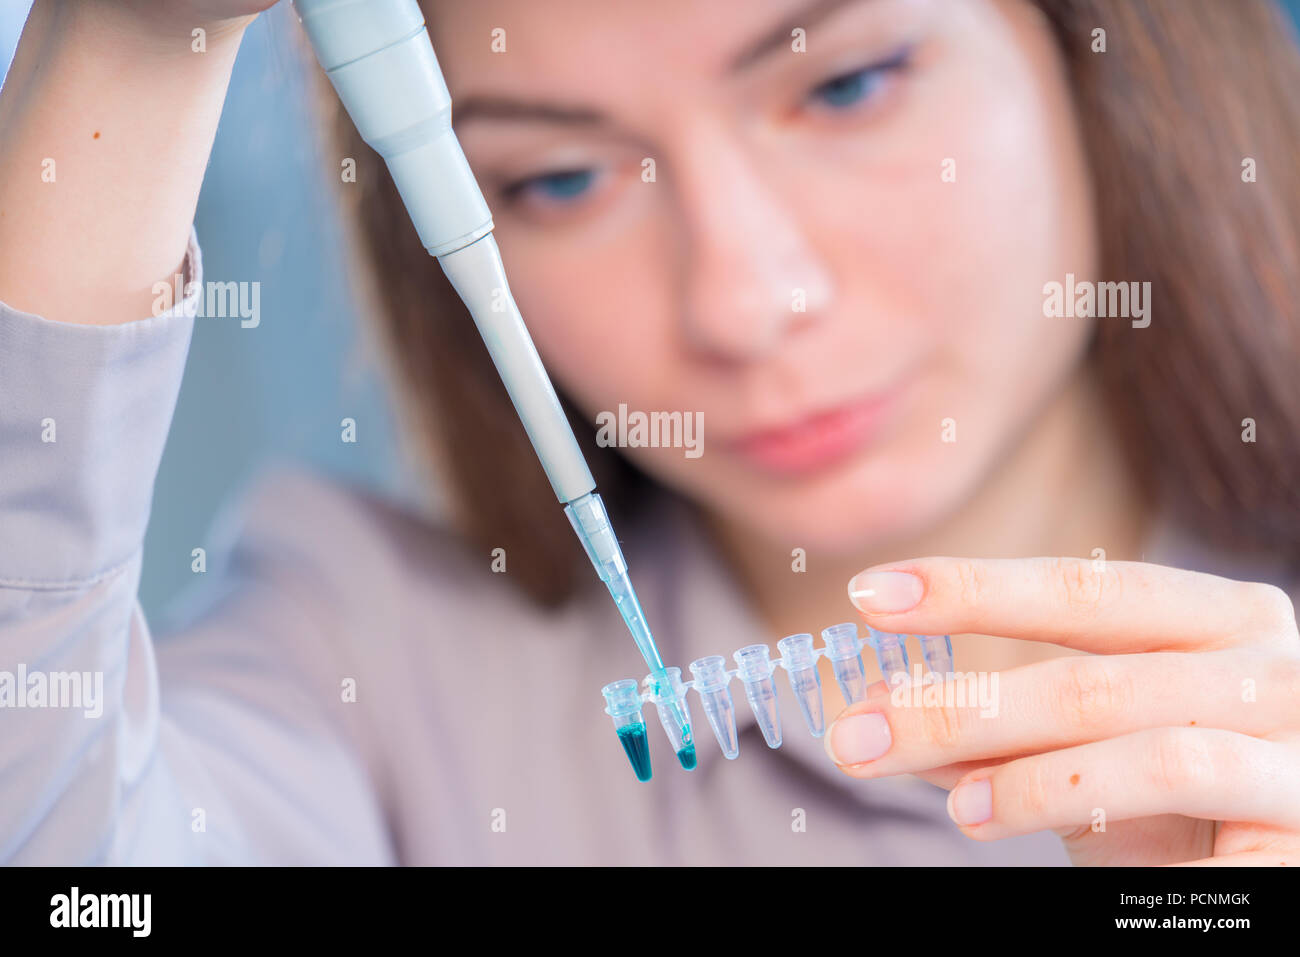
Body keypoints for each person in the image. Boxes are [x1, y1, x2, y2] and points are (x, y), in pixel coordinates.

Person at [1, 0, 1298, 866]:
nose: (744, 299)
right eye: (560, 179)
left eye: (848, 85)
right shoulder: (375, 658)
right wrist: (129, 33)